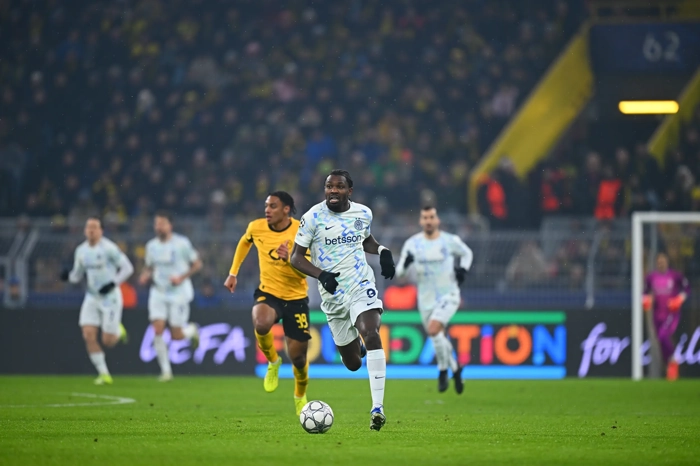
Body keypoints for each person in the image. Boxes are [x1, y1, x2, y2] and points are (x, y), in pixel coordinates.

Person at [290, 169, 396, 432]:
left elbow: (365, 240)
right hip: (332, 296)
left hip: (361, 285)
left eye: (338, 187)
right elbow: (296, 258)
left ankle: (377, 408)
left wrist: (382, 250)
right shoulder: (312, 218)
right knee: (353, 363)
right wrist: (321, 275)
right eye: (329, 186)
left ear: (350, 191)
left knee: (372, 334)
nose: (333, 191)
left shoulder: (363, 213)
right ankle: (357, 347)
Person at [223, 191, 312, 416]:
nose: (267, 210)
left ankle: (299, 395)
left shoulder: (301, 231)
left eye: (273, 206)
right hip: (268, 292)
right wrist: (233, 273)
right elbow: (245, 242)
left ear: (286, 209)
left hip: (296, 298)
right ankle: (273, 362)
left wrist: (289, 259)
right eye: (266, 206)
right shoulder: (256, 227)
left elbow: (305, 272)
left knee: (298, 358)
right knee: (261, 323)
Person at [395, 206, 473, 393]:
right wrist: (405, 265)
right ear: (421, 221)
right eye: (425, 217)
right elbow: (399, 274)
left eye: (432, 217)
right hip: (425, 299)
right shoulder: (412, 244)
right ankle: (456, 369)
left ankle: (443, 370)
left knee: (433, 329)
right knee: (438, 335)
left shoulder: (449, 240)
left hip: (449, 295)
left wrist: (463, 270)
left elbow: (467, 253)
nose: (429, 221)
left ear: (437, 220)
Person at [60, 217, 133, 385]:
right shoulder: (81, 251)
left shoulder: (109, 248)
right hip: (92, 297)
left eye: (95, 228)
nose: (91, 231)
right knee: (88, 334)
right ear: (85, 231)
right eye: (89, 227)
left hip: (110, 297)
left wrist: (113, 284)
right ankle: (104, 374)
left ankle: (118, 330)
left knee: (108, 341)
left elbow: (128, 268)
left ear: (101, 231)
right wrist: (67, 276)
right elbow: (77, 275)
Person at [139, 211, 202, 381]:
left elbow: (197, 264)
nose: (158, 227)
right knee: (157, 329)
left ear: (170, 226)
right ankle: (166, 372)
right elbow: (150, 267)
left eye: (162, 223)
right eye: (156, 224)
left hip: (179, 293)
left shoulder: (182, 243)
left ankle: (191, 331)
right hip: (158, 291)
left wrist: (181, 277)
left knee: (176, 335)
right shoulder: (151, 246)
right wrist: (145, 275)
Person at [643, 253, 689, 381]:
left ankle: (673, 360)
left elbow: (687, 288)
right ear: (656, 263)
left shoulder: (675, 275)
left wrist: (679, 299)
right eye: (659, 262)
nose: (661, 264)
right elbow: (645, 291)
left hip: (671, 313)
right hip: (657, 313)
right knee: (660, 339)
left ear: (667, 262)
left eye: (663, 261)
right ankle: (669, 366)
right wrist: (646, 300)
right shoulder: (651, 277)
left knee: (663, 335)